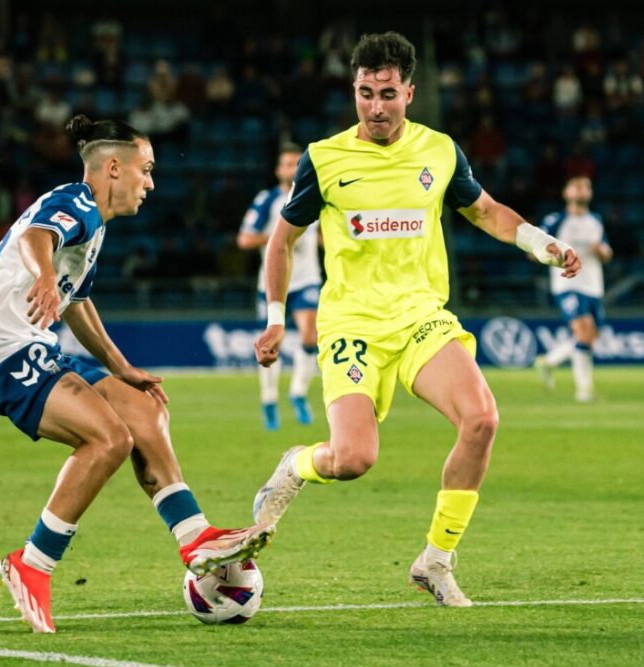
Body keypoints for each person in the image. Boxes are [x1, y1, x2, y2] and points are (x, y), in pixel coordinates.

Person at [251, 32, 579, 607]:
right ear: (353, 90)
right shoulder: (324, 159)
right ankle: (298, 463)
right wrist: (277, 317)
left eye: (387, 93)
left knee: (480, 419)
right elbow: (281, 242)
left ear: (410, 92)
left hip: (420, 316)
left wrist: (539, 241)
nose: (375, 107)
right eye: (364, 93)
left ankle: (436, 560)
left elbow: (484, 211)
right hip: (352, 323)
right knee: (353, 459)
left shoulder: (440, 150)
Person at [0, 115, 272, 634]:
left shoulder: (94, 227)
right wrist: (42, 278)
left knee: (141, 409)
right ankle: (32, 565)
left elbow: (77, 302)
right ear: (112, 168)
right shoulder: (78, 202)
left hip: (33, 347)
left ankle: (195, 536)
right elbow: (35, 236)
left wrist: (122, 369)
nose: (150, 183)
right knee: (108, 440)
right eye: (145, 171)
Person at [238, 144, 322, 430]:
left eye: (297, 163)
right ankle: (270, 400)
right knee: (271, 343)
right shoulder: (268, 200)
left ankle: (298, 393)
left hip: (308, 278)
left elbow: (322, 234)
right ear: (278, 170)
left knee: (310, 334)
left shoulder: (316, 195)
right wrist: (280, 239)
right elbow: (245, 239)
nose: (293, 168)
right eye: (287, 164)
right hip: (274, 282)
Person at [534, 176, 612, 402]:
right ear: (566, 193)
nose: (581, 190)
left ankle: (549, 361)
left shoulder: (596, 221)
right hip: (567, 283)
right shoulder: (555, 221)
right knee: (583, 332)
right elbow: (533, 248)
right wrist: (551, 253)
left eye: (586, 186)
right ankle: (584, 391)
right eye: (576, 186)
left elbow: (608, 252)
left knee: (590, 337)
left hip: (593, 286)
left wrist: (602, 251)